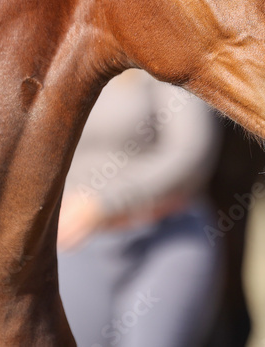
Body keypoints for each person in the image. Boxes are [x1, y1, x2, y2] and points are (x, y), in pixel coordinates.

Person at [58, 68, 222, 347]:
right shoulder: (65, 62)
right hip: (77, 244)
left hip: (166, 238)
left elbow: (191, 152)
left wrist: (105, 205)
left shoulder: (165, 59)